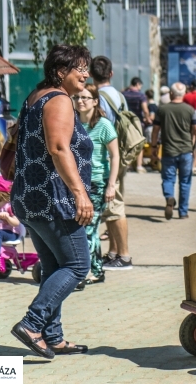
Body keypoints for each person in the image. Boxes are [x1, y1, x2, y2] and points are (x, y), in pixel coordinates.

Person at [11, 44, 94, 359]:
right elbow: (59, 149)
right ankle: (32, 324)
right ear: (61, 72)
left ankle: (53, 336)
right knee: (77, 265)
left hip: (30, 198)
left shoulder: (36, 97)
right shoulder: (59, 101)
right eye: (79, 68)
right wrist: (80, 194)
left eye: (86, 66)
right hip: (54, 199)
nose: (85, 73)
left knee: (53, 266)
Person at [73, 84, 119, 285]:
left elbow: (115, 156)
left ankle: (84, 272)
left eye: (84, 97)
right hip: (76, 184)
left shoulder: (104, 125)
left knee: (89, 227)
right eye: (77, 98)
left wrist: (111, 185)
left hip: (97, 183)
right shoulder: (72, 124)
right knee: (82, 228)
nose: (80, 101)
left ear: (95, 101)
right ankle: (97, 270)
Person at [90, 56, 132, 271]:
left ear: (90, 73)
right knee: (112, 204)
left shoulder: (98, 97)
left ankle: (124, 256)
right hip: (121, 154)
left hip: (107, 158)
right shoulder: (119, 95)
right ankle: (114, 252)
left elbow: (102, 127)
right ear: (111, 73)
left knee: (114, 205)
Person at [151, 82, 196, 220]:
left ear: (171, 93)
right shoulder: (190, 110)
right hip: (186, 151)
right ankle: (183, 212)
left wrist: (154, 146)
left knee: (168, 179)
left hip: (168, 151)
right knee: (185, 181)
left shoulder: (162, 109)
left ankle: (169, 197)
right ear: (184, 94)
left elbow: (155, 130)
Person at [122, 77, 150, 174]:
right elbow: (145, 110)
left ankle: (128, 165)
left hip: (125, 121)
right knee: (139, 144)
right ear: (137, 84)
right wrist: (148, 118)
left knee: (126, 144)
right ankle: (139, 166)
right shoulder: (141, 95)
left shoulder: (124, 94)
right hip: (137, 122)